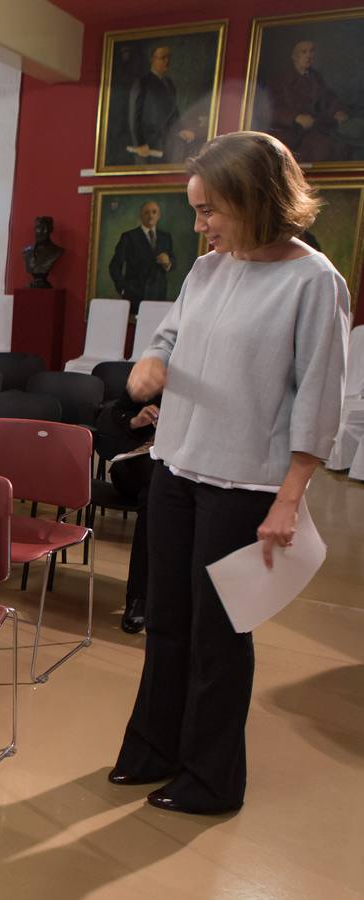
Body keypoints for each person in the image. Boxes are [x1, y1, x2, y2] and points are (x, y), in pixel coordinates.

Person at [111, 131, 348, 816]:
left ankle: (212, 778)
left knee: (220, 633)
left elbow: (319, 398)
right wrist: (149, 363)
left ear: (255, 200)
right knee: (166, 620)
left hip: (245, 482)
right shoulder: (208, 268)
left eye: (210, 210)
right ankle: (154, 744)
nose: (198, 226)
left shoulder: (313, 281)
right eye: (194, 210)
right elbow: (168, 334)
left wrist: (290, 499)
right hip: (177, 464)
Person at [94, 396, 159, 634]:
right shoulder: (157, 377)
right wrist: (135, 422)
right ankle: (139, 598)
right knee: (156, 491)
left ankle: (152, 598)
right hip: (136, 465)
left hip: (177, 470)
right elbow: (114, 417)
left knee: (158, 494)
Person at [266, 40, 350, 164]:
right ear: (294, 56)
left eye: (311, 51)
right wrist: (295, 117)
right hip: (290, 133)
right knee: (322, 148)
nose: (309, 55)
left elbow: (329, 97)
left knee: (343, 145)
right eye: (304, 52)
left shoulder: (315, 77)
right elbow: (270, 109)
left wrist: (338, 111)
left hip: (315, 128)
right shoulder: (280, 79)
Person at [127, 45, 198, 164]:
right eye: (163, 57)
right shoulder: (143, 83)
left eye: (168, 57)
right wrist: (140, 143)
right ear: (153, 60)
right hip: (149, 144)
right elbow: (134, 115)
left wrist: (182, 129)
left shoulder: (169, 84)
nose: (167, 61)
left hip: (168, 142)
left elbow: (173, 112)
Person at [108, 201, 174, 316]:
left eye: (154, 212)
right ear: (141, 215)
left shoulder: (165, 237)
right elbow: (114, 266)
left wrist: (168, 262)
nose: (151, 215)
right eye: (147, 212)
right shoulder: (129, 237)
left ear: (159, 216)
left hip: (158, 295)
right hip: (134, 295)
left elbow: (173, 262)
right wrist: (122, 289)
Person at [22, 216, 65, 289]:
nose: (42, 231)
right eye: (38, 228)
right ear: (35, 229)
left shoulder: (57, 251)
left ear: (51, 230)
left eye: (45, 228)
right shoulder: (27, 252)